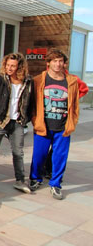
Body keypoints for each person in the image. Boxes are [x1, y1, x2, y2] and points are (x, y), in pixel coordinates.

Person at [29, 49, 80, 200]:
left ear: (64, 63)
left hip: (63, 127)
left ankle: (56, 184)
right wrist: (34, 120)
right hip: (43, 125)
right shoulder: (38, 80)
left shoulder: (72, 81)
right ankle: (35, 178)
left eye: (60, 61)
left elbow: (75, 105)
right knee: (39, 155)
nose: (58, 64)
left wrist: (72, 122)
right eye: (54, 61)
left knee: (60, 157)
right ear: (48, 63)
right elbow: (32, 103)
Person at [0, 53, 33, 192]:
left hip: (17, 122)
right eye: (8, 65)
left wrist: (26, 118)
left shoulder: (27, 81)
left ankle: (20, 181)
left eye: (13, 66)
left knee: (18, 153)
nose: (9, 68)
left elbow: (31, 102)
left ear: (20, 67)